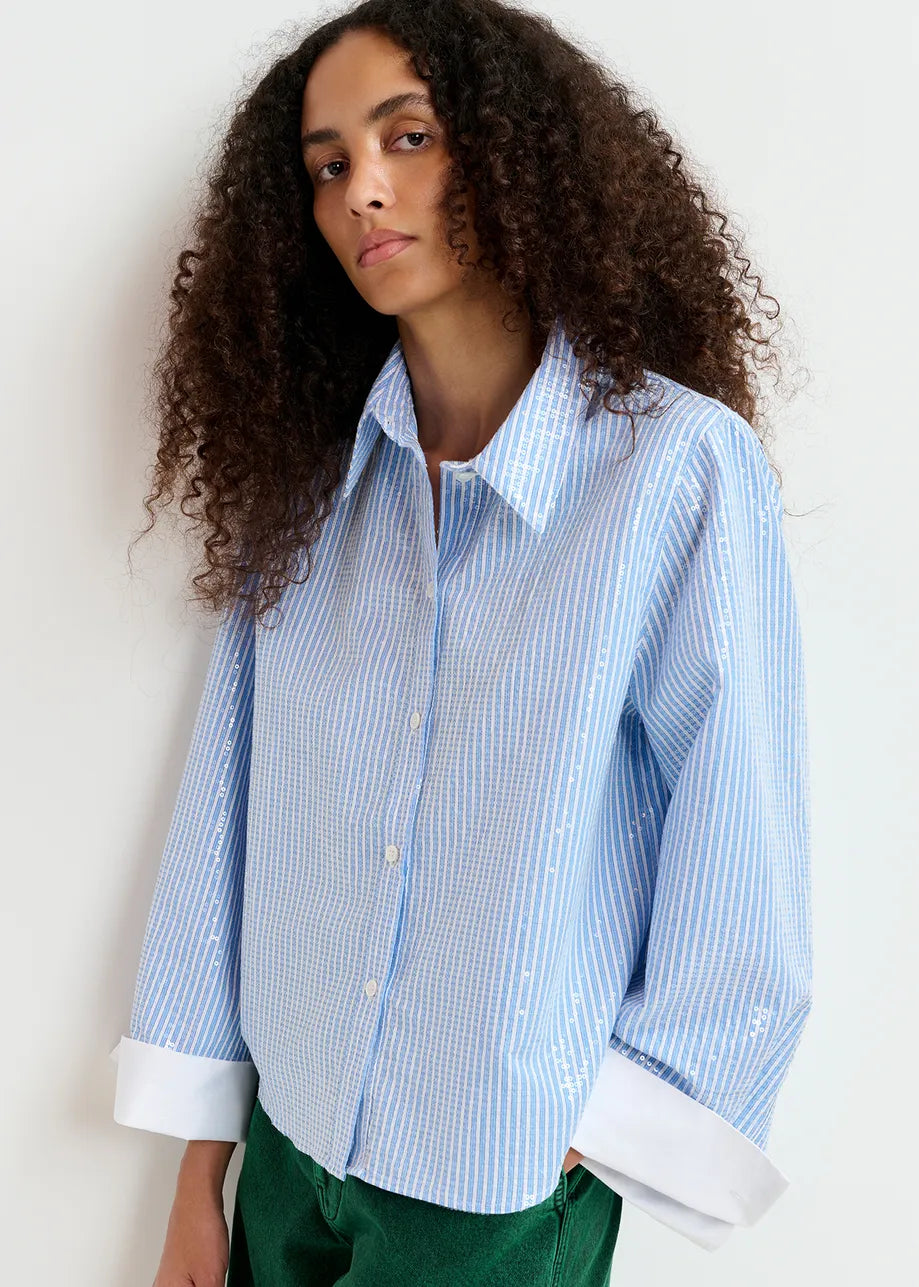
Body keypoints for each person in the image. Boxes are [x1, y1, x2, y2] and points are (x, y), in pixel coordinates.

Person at [110, 2, 813, 1284]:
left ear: (514, 153)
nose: (362, 189)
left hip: (494, 1188)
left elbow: (740, 839)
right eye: (328, 165)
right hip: (289, 1151)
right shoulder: (314, 487)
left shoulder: (673, 470)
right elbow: (230, 821)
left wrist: (590, 1132)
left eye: (409, 136)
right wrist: (198, 1180)